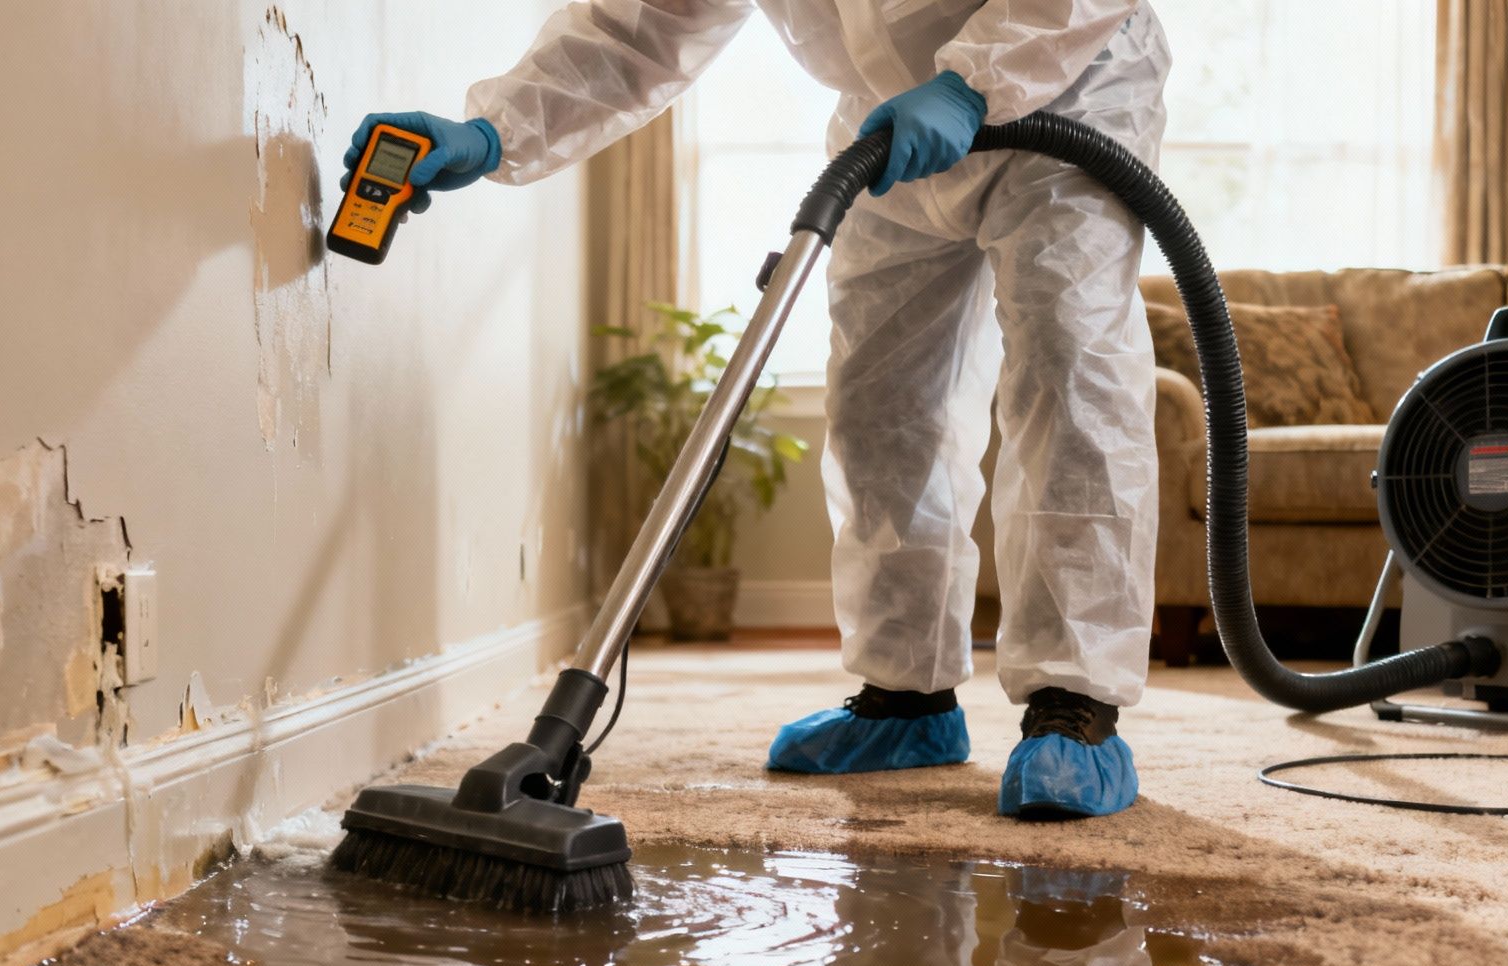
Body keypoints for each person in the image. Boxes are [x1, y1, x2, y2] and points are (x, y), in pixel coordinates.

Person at [347, 0, 1170, 818]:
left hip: (1068, 86)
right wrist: (494, 132)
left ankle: (1076, 705)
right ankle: (905, 697)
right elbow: (638, 26)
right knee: (879, 406)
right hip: (890, 127)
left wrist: (973, 81)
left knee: (1069, 374)